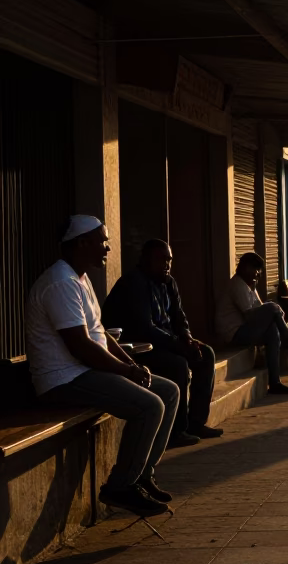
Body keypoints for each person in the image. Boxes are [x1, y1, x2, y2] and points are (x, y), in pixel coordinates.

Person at [29, 215, 180, 518]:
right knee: (149, 406)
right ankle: (120, 486)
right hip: (64, 379)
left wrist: (132, 364)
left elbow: (101, 334)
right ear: (82, 243)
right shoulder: (61, 282)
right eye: (103, 241)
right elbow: (81, 346)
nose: (108, 248)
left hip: (84, 372)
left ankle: (142, 475)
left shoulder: (80, 279)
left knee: (168, 391)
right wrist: (127, 372)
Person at [103, 239, 221, 448]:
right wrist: (178, 344)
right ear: (145, 260)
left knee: (206, 354)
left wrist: (186, 337)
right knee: (177, 365)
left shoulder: (169, 282)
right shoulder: (134, 283)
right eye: (161, 259)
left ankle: (196, 423)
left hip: (165, 342)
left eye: (169, 260)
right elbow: (144, 328)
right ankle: (176, 431)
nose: (166, 264)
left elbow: (179, 316)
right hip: (136, 349)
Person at [215, 252, 288, 395]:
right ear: (245, 268)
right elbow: (250, 315)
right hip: (234, 334)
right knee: (272, 307)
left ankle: (275, 383)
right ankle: (287, 338)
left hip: (245, 330)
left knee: (272, 331)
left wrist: (259, 296)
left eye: (259, 270)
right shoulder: (237, 285)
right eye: (256, 269)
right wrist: (272, 309)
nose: (258, 273)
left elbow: (260, 309)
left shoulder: (248, 285)